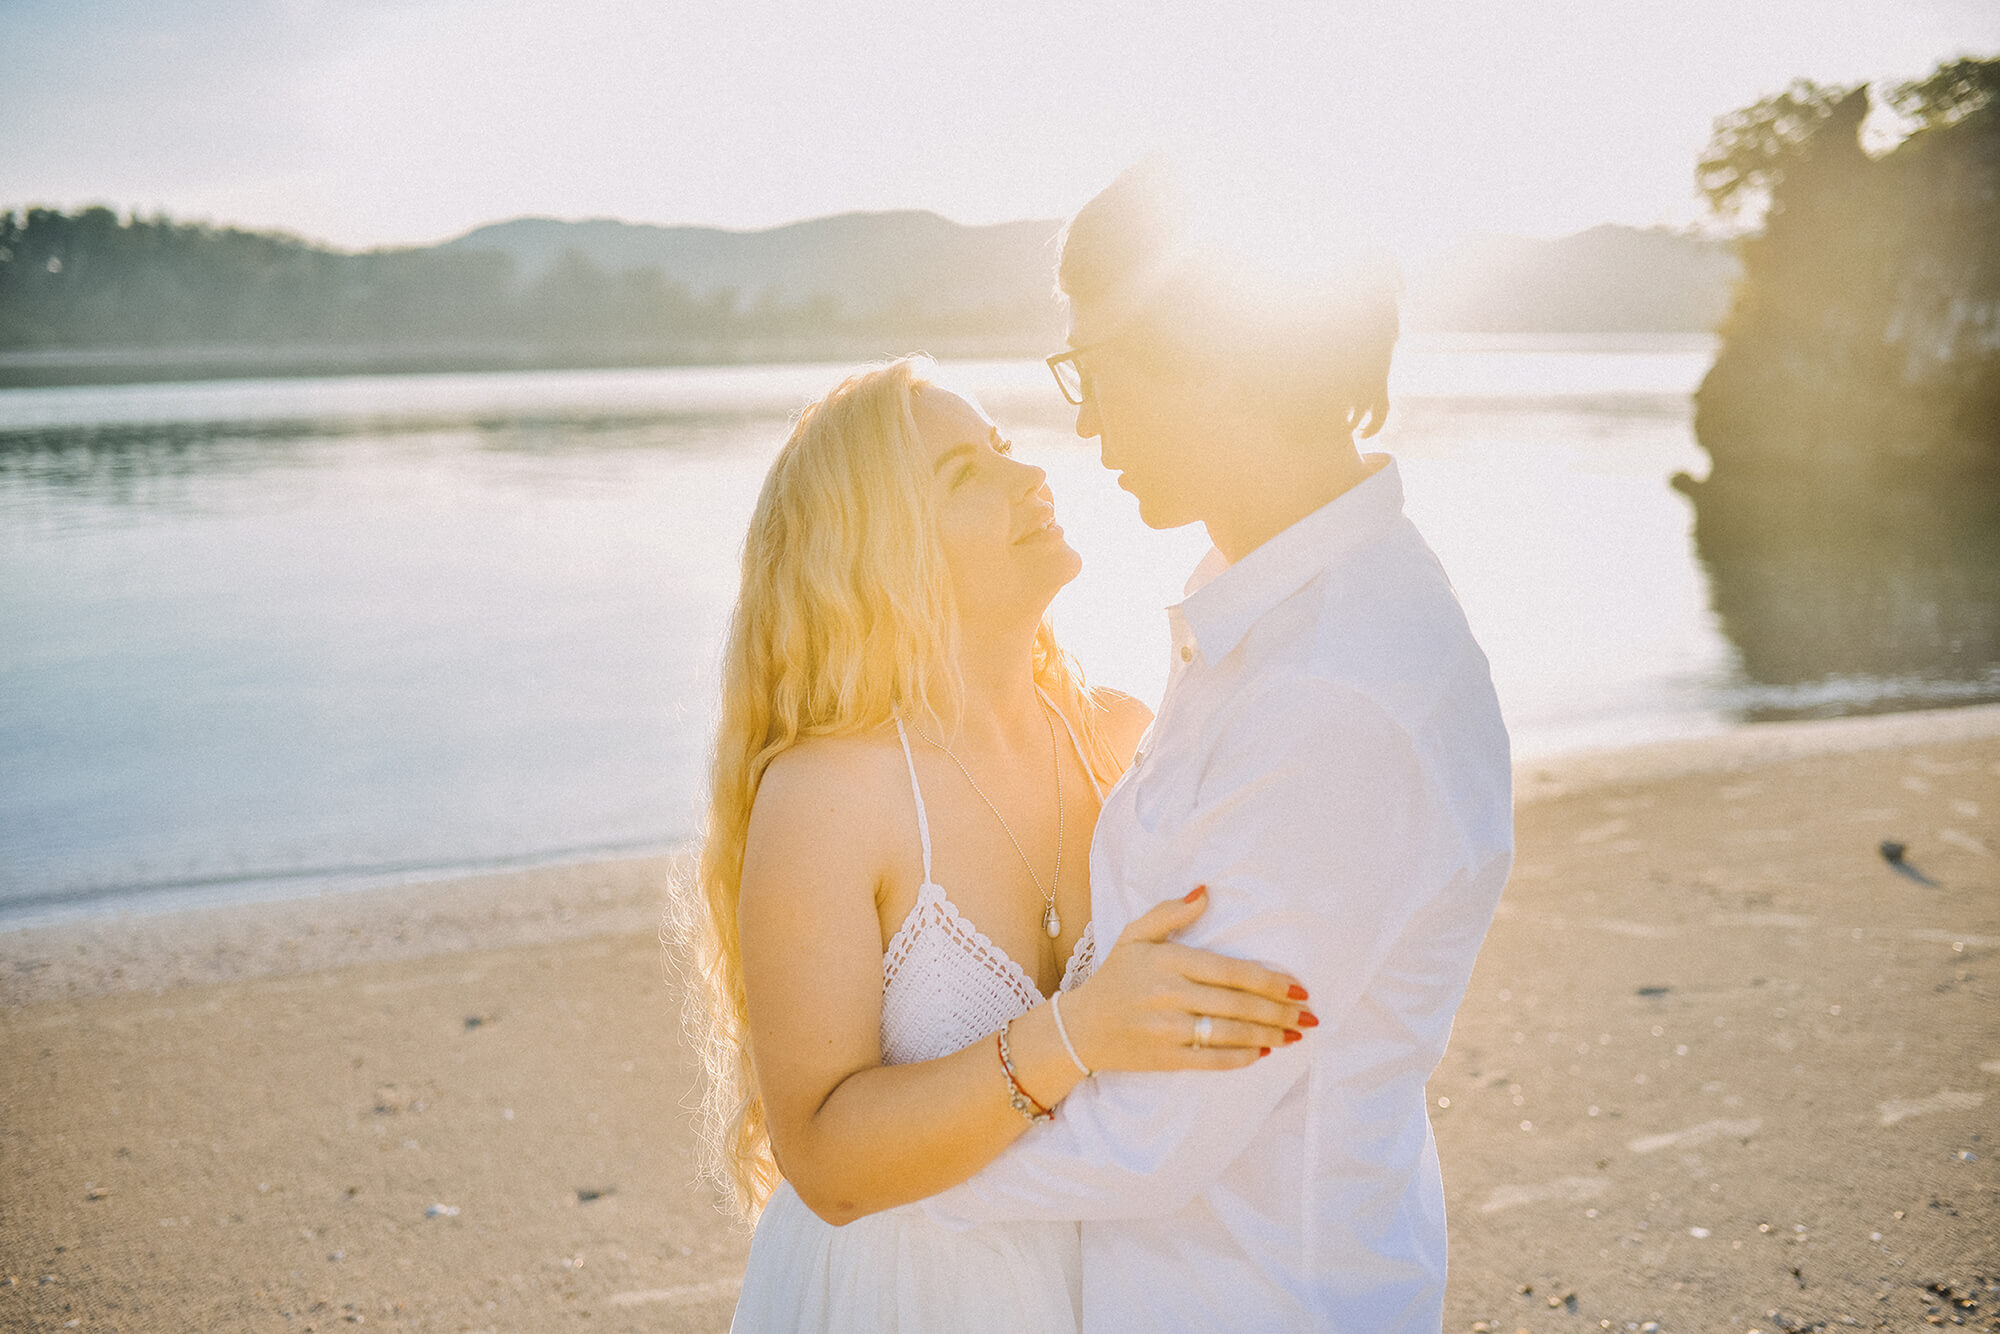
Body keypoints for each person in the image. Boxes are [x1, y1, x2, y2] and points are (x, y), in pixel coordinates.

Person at [910, 163, 1516, 1331]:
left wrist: (870, 1170)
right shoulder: (1261, 613)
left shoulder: (1337, 691)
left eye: (1097, 369)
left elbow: (1151, 1131)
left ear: (1220, 361)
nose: (1082, 421)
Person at [678, 355, 1316, 1334]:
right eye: (963, 476)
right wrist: (1075, 1032)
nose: (1030, 478)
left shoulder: (1120, 734)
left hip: (1116, 1281)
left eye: (1006, 449)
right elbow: (826, 1164)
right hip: (900, 1297)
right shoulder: (831, 793)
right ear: (877, 552)